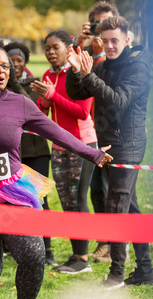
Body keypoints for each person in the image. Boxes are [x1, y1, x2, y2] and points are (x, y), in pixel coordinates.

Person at [0, 45, 112, 298]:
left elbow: (57, 132)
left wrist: (94, 153)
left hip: (13, 191)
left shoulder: (20, 103)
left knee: (33, 257)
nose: (1, 70)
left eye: (5, 66)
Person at [66, 16, 153, 289]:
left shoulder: (138, 66)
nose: (109, 46)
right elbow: (76, 94)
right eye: (104, 41)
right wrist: (75, 71)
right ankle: (145, 270)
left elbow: (118, 101)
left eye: (115, 40)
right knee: (129, 206)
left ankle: (116, 273)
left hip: (127, 146)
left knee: (115, 206)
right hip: (107, 145)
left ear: (127, 39)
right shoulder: (103, 65)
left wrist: (89, 75)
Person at [30, 31, 97, 274]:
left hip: (82, 144)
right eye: (46, 48)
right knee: (67, 202)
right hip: (59, 145)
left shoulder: (78, 73)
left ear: (68, 48)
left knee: (79, 200)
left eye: (54, 47)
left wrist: (52, 96)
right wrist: (45, 101)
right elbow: (44, 113)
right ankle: (76, 256)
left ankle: (84, 259)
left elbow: (82, 112)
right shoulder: (48, 75)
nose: (49, 52)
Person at [72, 0, 120, 262]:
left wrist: (100, 54)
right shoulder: (86, 51)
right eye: (99, 24)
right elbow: (74, 84)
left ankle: (116, 244)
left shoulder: (119, 56)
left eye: (109, 23)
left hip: (117, 135)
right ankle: (106, 242)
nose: (105, 29)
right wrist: (79, 42)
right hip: (92, 134)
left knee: (116, 190)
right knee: (96, 190)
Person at [3, 41, 56, 265]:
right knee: (13, 200)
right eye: (10, 61)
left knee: (39, 199)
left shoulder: (35, 84)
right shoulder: (0, 86)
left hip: (36, 151)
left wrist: (14, 82)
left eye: (19, 61)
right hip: (14, 154)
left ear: (25, 63)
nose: (15, 65)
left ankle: (47, 249)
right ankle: (16, 247)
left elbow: (29, 107)